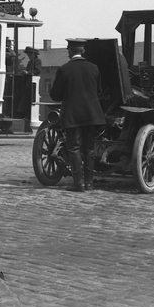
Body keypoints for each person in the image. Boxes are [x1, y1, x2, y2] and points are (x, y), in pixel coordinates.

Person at [50, 39, 106, 192]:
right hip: (92, 115)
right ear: (83, 51)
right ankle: (89, 183)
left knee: (74, 148)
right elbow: (99, 92)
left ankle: (78, 184)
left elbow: (55, 95)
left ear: (69, 51)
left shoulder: (64, 69)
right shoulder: (94, 68)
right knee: (89, 149)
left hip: (72, 116)